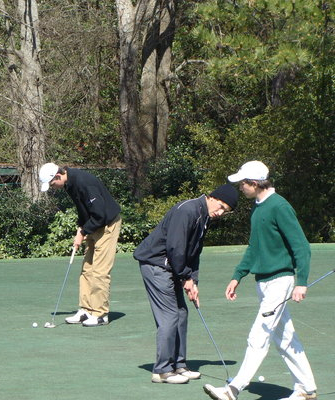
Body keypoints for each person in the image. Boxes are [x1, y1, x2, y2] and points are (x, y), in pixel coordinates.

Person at [203, 161, 318, 400]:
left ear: (254, 183)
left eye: (242, 184)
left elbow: (301, 247)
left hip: (280, 281)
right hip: (262, 283)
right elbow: (254, 247)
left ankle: (233, 389)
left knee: (258, 335)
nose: (240, 188)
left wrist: (302, 282)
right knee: (284, 337)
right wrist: (238, 276)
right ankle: (306, 390)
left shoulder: (279, 206)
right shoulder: (257, 207)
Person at [134, 184, 239, 384]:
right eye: (221, 206)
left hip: (172, 267)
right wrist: (186, 277)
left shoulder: (204, 217)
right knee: (170, 315)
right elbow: (176, 248)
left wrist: (194, 281)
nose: (220, 212)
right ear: (212, 197)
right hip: (156, 265)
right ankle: (162, 371)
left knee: (181, 313)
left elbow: (194, 251)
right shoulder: (188, 211)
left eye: (225, 211)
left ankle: (179, 365)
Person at [38, 163, 121, 327]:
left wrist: (83, 232)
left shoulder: (83, 182)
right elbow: (83, 209)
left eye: (53, 184)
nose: (53, 188)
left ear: (58, 176)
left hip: (107, 224)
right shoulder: (69, 183)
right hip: (93, 224)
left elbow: (100, 214)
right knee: (87, 269)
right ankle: (86, 310)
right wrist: (80, 229)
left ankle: (100, 314)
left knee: (100, 271)